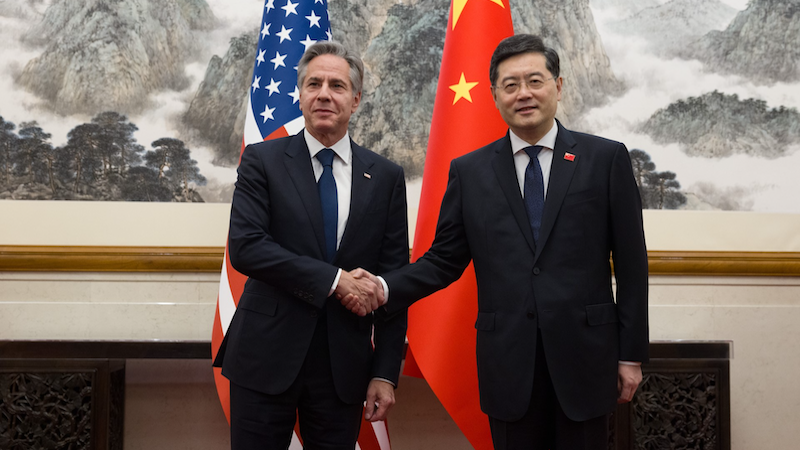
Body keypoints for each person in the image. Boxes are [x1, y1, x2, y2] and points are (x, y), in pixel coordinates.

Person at [345, 34, 649, 449]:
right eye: (510, 85)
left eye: (535, 81)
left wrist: (631, 355)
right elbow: (444, 260)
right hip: (508, 362)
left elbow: (632, 265)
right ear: (494, 95)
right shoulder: (470, 172)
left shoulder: (605, 159)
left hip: (586, 358)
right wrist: (384, 287)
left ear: (558, 87)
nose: (523, 93)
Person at [214, 41, 409, 450]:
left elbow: (393, 282)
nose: (324, 93)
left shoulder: (386, 177)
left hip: (344, 365)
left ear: (355, 100)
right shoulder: (262, 161)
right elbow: (247, 247)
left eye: (337, 86)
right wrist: (335, 280)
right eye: (313, 84)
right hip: (265, 355)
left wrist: (385, 371)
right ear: (300, 96)